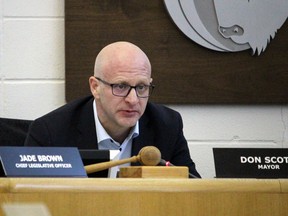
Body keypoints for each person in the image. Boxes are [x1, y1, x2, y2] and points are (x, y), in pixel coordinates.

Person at [24, 41, 201, 178]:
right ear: (95, 87)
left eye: (141, 87)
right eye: (121, 86)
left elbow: (193, 191)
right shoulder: (51, 132)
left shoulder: (167, 125)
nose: (133, 100)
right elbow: (29, 200)